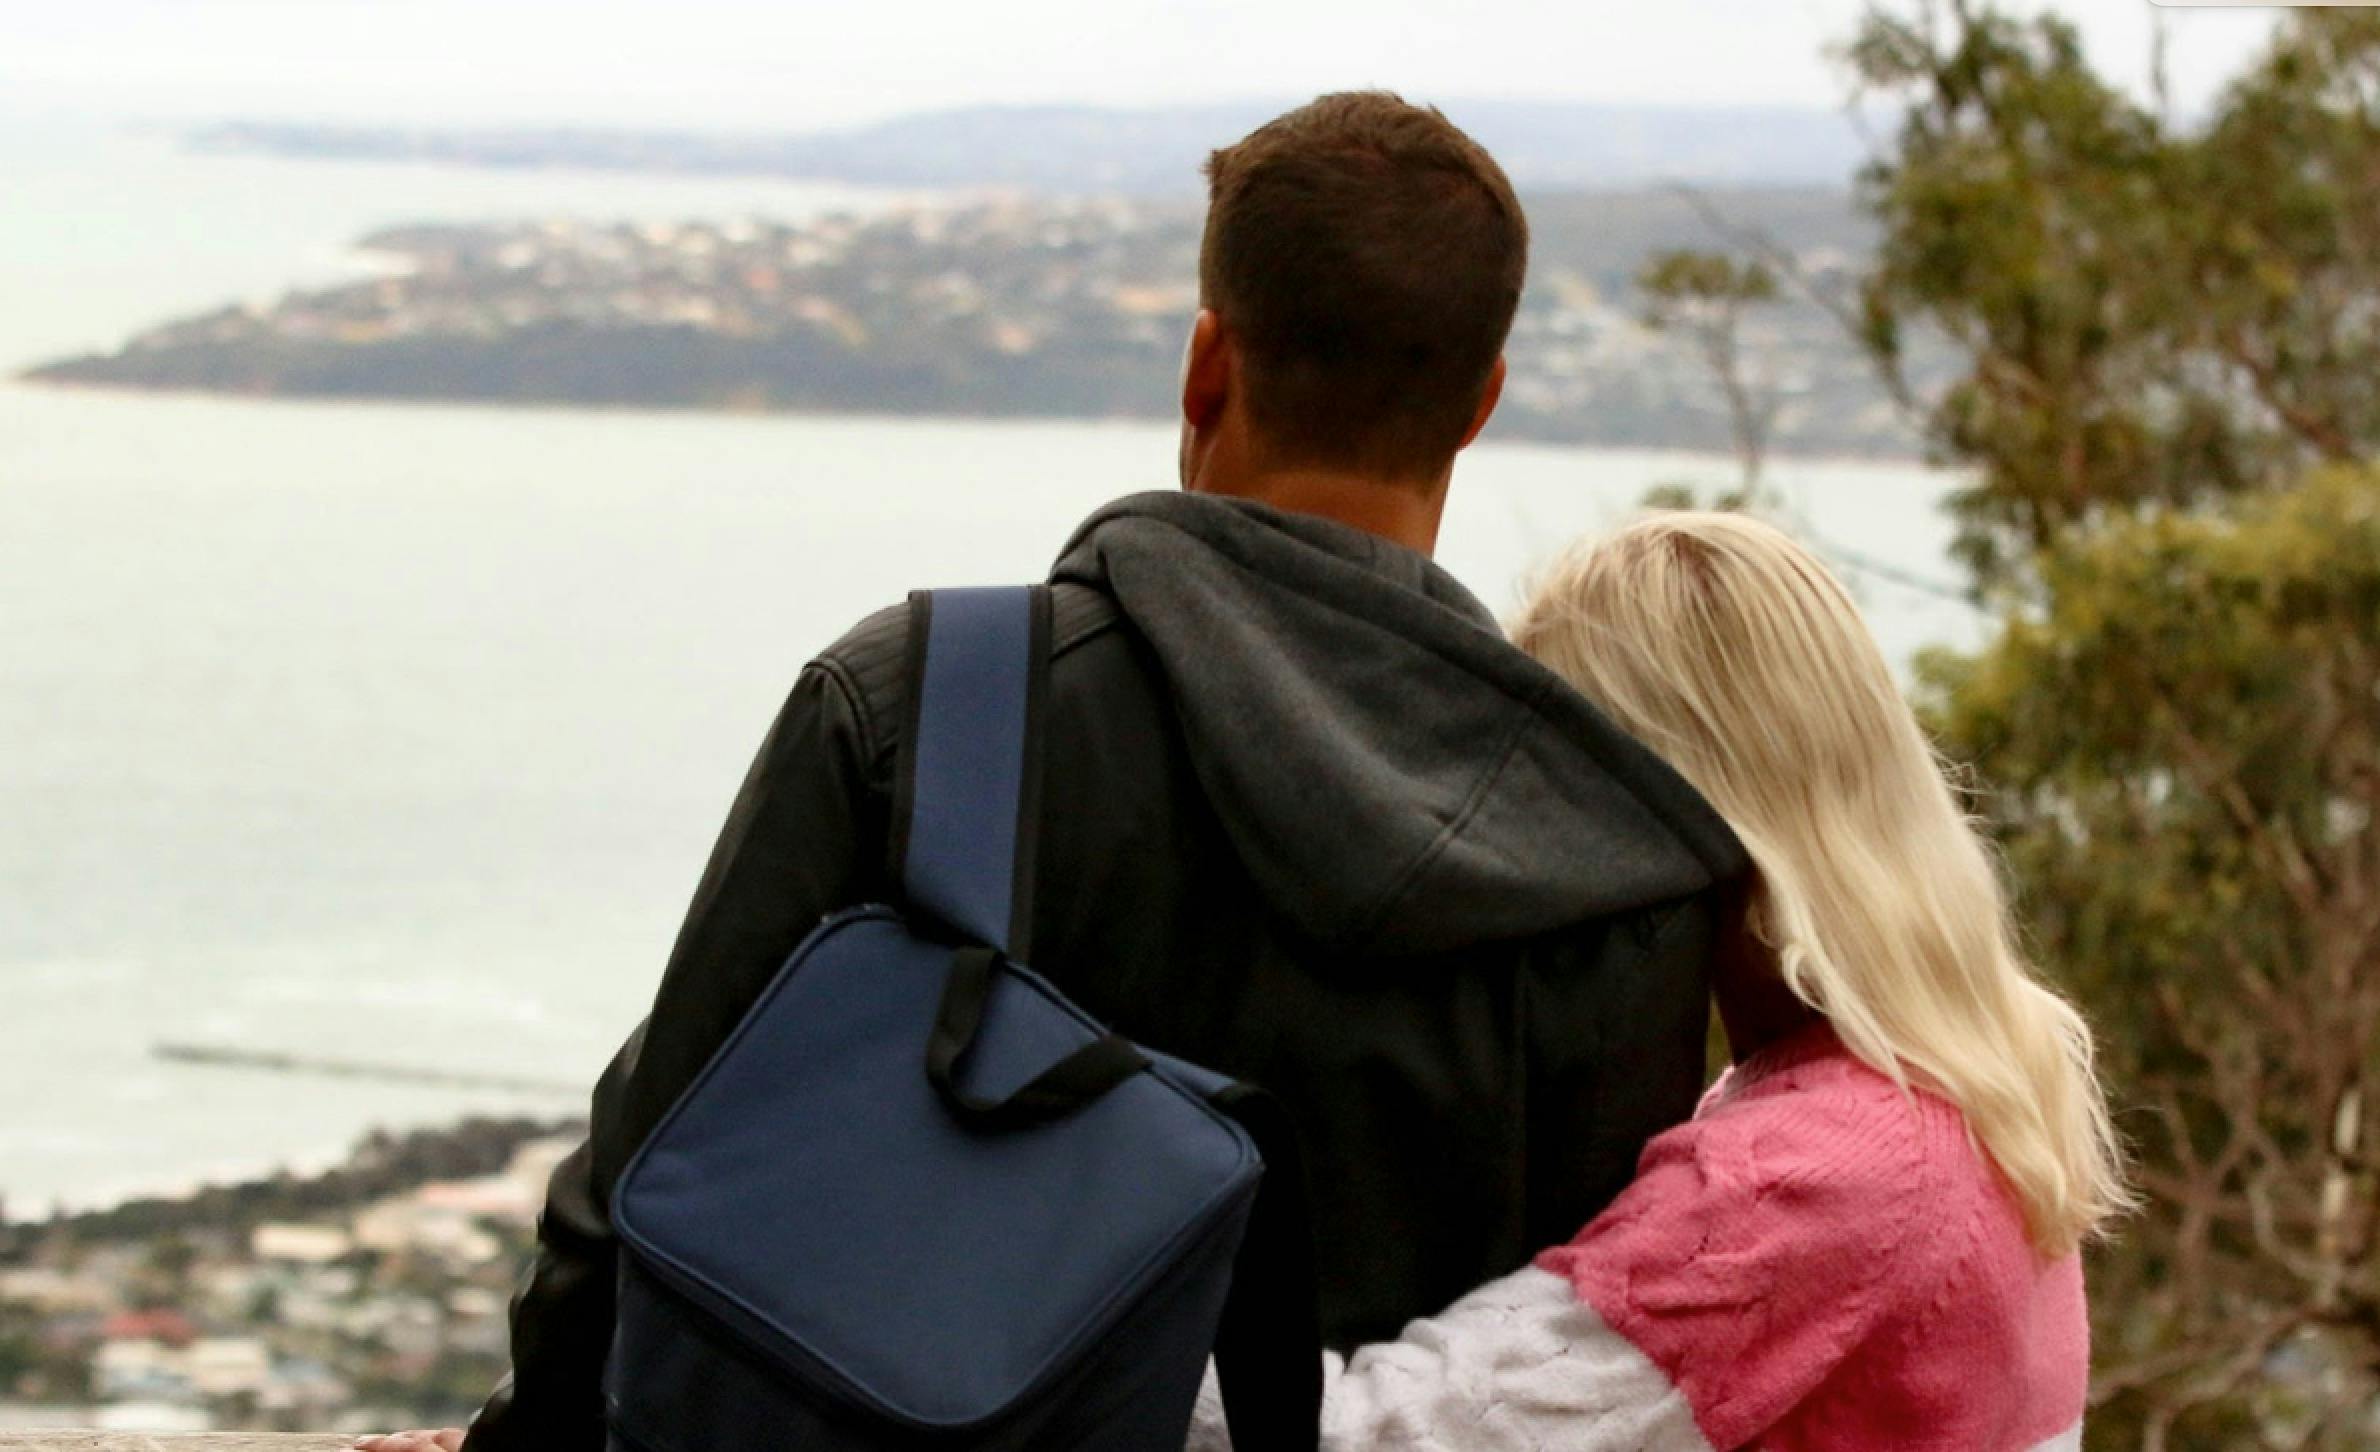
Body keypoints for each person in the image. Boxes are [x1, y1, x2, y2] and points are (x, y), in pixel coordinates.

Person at [360, 92, 1747, 1452]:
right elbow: (1590, 1355)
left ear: (1208, 367)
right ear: (1479, 403)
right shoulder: (1620, 857)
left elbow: (652, 1178)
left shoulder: (932, 703)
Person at [1184, 511, 2132, 1451]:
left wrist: (1084, 1292)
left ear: (1676, 810)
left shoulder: (1815, 1181)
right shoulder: (1970, 1082)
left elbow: (1365, 1440)